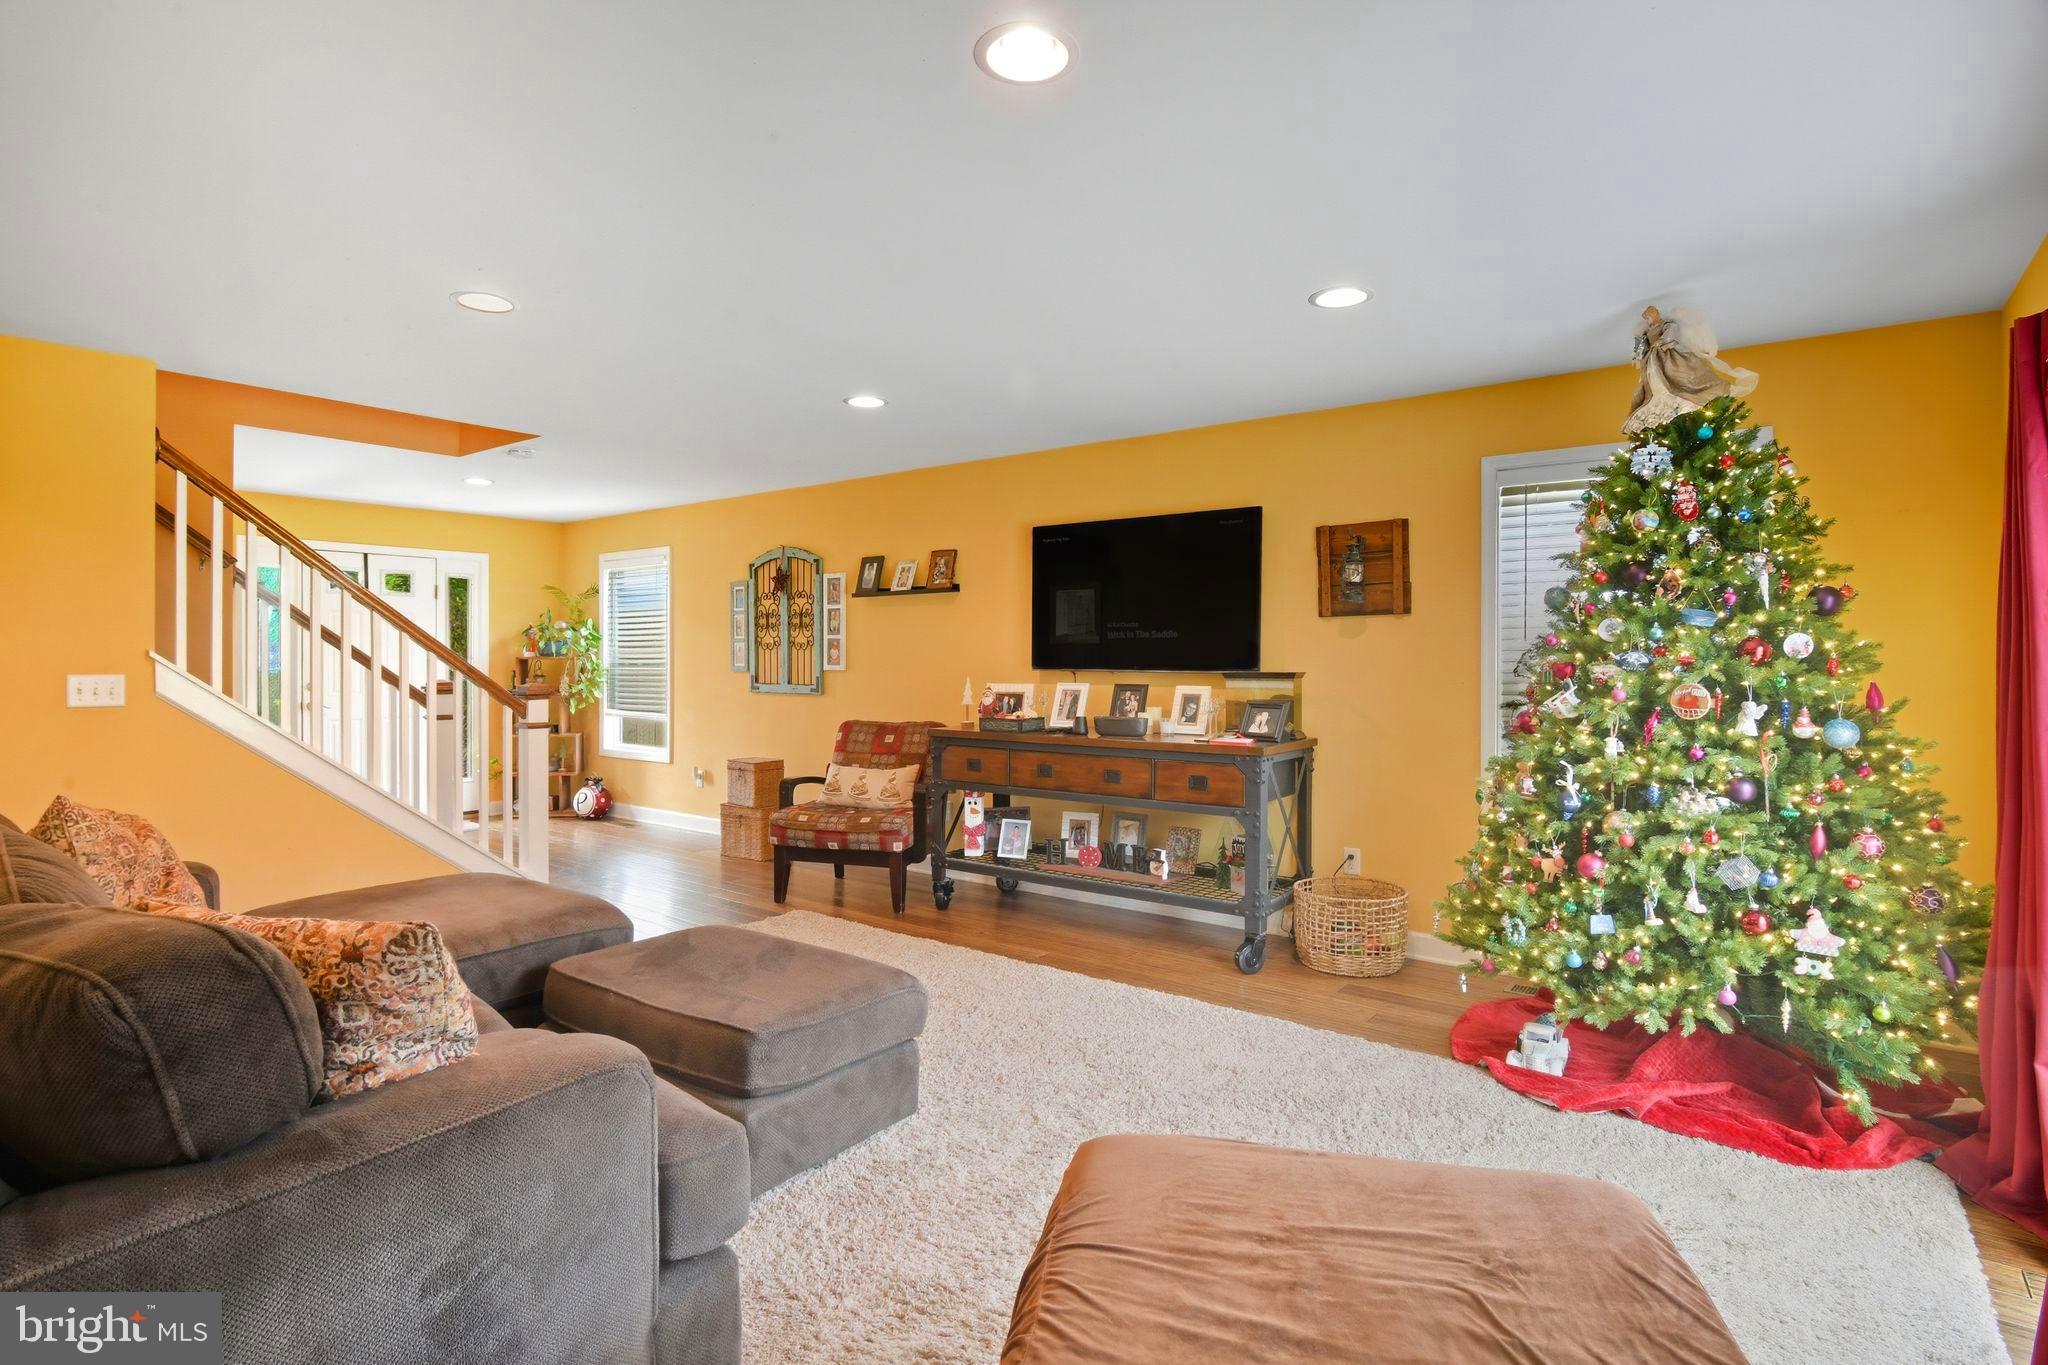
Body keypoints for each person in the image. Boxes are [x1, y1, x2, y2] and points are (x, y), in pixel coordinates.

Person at [1623, 305, 1758, 435]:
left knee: (1676, 376)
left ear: (1656, 313)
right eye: (1647, 315)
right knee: (1653, 383)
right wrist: (1644, 345)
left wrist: (1659, 344)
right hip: (1652, 359)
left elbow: (1670, 336)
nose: (1648, 317)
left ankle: (1685, 394)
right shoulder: (1646, 332)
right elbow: (1640, 350)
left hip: (1666, 354)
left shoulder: (1666, 324)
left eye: (1650, 313)